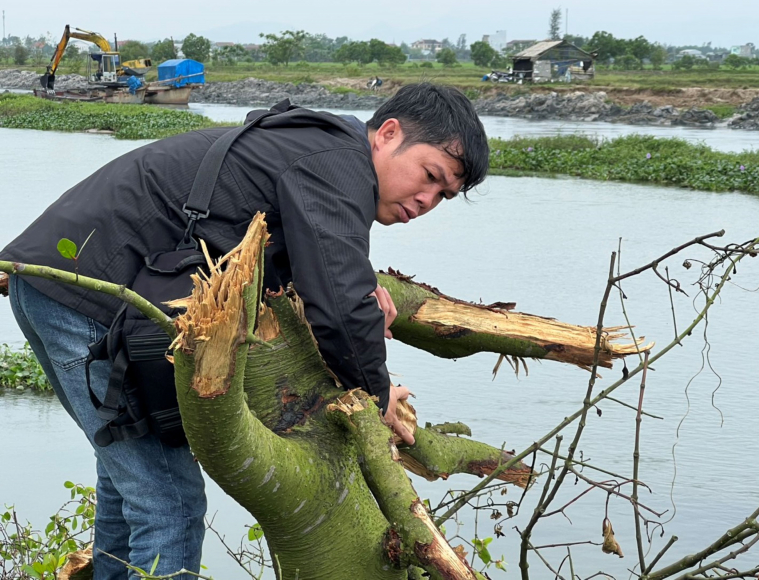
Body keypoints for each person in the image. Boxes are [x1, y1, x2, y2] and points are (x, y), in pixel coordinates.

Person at [0, 82, 489, 579]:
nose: (427, 200)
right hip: (81, 298)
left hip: (60, 284)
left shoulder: (320, 147)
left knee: (130, 487)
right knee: (169, 502)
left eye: (443, 195)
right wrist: (377, 395)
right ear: (388, 134)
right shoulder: (339, 162)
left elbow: (317, 266)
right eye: (430, 175)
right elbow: (338, 306)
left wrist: (362, 286)